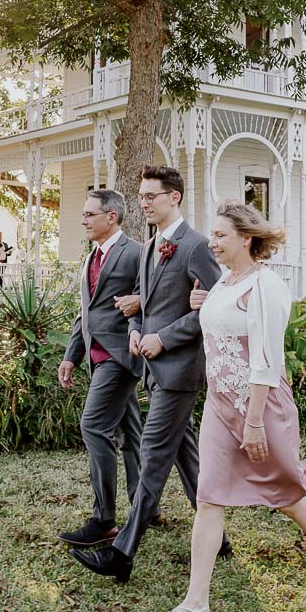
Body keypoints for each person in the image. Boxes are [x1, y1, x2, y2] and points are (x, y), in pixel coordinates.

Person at [152, 203, 306, 612]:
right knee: (208, 498)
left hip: (260, 405)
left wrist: (252, 421)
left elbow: (266, 360)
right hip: (219, 405)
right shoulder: (224, 282)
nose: (211, 242)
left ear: (245, 239)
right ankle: (196, 602)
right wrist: (202, 301)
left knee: (285, 493)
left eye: (220, 236)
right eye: (211, 235)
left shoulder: (267, 285)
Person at [69, 164, 222, 584]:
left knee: (153, 455)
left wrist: (164, 338)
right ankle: (218, 536)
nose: (143, 202)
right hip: (153, 368)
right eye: (140, 196)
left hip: (181, 369)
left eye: (150, 195)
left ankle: (121, 554)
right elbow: (141, 306)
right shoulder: (152, 247)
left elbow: (215, 307)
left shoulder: (196, 246)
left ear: (174, 197)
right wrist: (137, 333)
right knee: (185, 453)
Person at [55, 189, 148, 549]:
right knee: (130, 434)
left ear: (112, 217)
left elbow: (152, 298)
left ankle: (103, 519)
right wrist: (71, 356)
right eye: (83, 214)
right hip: (95, 357)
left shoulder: (137, 253)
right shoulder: (90, 257)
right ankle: (147, 507)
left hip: (120, 356)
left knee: (93, 425)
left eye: (91, 214)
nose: (84, 220)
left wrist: (138, 307)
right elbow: (86, 313)